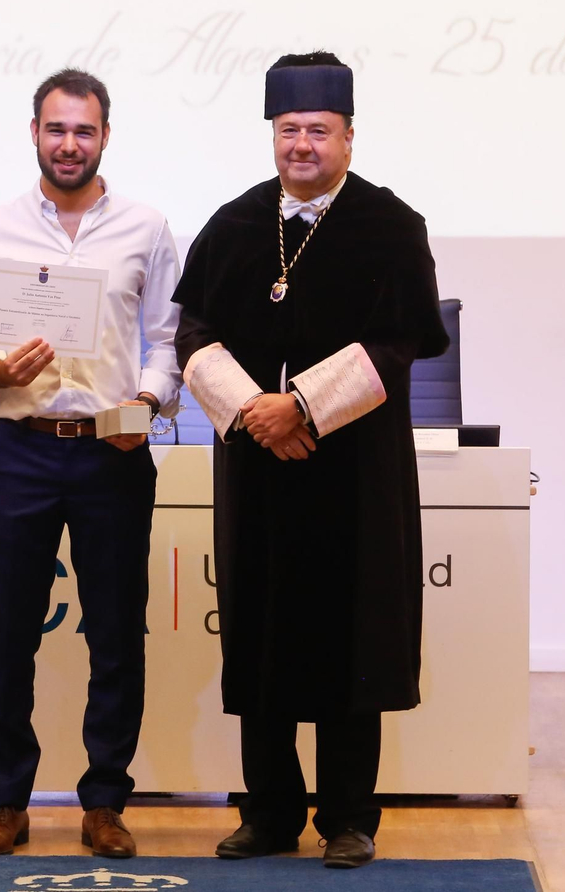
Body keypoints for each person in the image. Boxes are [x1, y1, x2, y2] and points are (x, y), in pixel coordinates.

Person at [171, 51, 449, 869]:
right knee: (260, 635)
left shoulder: (390, 227)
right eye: (289, 130)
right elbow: (191, 333)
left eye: (318, 131)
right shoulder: (234, 224)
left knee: (350, 638)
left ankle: (349, 817)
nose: (302, 145)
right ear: (273, 135)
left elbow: (404, 341)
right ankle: (268, 812)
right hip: (259, 470)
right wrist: (256, 413)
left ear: (349, 137)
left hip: (354, 473)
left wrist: (304, 408)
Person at [0, 68, 183, 859]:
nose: (69, 143)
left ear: (106, 136)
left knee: (117, 634)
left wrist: (146, 404)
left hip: (113, 454)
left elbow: (169, 339)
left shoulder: (146, 228)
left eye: (84, 130)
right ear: (34, 133)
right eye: (56, 128)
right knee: (10, 634)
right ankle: (6, 802)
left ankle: (105, 800)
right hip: (19, 450)